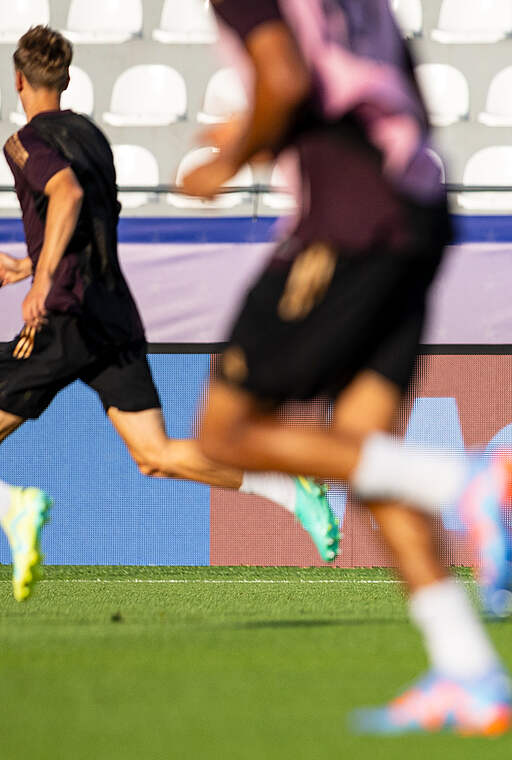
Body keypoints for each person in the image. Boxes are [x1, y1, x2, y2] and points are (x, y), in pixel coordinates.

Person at [178, 0, 512, 736]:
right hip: (418, 211)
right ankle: (470, 673)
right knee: (368, 459)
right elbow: (405, 88)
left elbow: (287, 76)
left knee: (224, 430)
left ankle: (463, 479)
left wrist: (229, 161)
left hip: (347, 218)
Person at [0, 26, 339, 604]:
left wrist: (47, 276)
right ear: (68, 80)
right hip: (114, 313)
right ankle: (289, 489)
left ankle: (15, 505)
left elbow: (67, 197)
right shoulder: (94, 139)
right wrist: (31, 266)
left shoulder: (22, 142)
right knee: (155, 455)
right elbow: (90, 223)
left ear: (19, 81)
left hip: (68, 316)